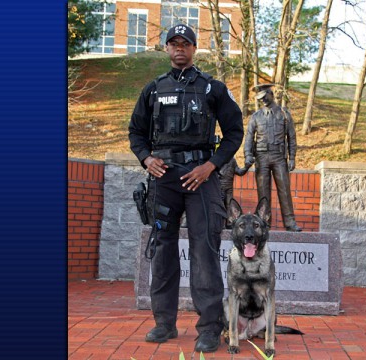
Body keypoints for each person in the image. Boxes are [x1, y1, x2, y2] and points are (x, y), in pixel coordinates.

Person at [128, 24, 243, 353]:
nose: (180, 49)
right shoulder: (153, 89)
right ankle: (164, 323)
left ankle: (209, 327)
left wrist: (211, 166)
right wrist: (146, 159)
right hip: (163, 180)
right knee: (162, 249)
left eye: (186, 44)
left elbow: (234, 133)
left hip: (201, 179)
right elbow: (136, 132)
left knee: (204, 250)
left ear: (194, 49)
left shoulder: (212, 89)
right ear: (166, 48)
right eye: (174, 43)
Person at [243, 84, 302, 232]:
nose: (262, 100)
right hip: (261, 157)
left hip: (279, 157)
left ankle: (290, 222)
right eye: (260, 98)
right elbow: (249, 137)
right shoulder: (256, 116)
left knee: (284, 190)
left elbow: (292, 137)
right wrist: (248, 155)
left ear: (271, 94)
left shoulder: (284, 114)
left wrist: (292, 157)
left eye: (264, 97)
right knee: (263, 192)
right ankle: (264, 223)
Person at [218, 157, 250, 228]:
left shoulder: (232, 160)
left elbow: (239, 172)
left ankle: (229, 222)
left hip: (229, 187)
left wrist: (246, 167)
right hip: (220, 186)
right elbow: (214, 171)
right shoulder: (219, 157)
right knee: (220, 204)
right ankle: (221, 223)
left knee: (230, 204)